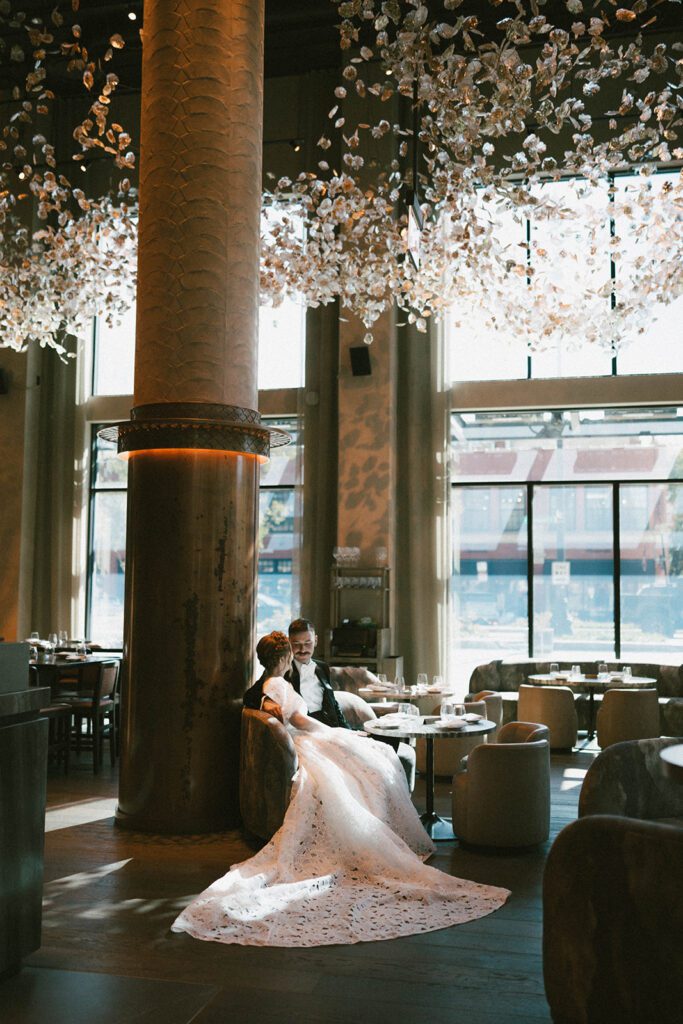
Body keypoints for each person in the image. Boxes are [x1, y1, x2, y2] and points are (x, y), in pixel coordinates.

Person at [172, 632, 509, 948]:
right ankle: (382, 829)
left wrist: (339, 734)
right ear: (285, 656)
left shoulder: (263, 685)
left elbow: (286, 716)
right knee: (375, 760)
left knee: (370, 758)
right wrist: (340, 735)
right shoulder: (276, 684)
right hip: (307, 741)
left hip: (306, 739)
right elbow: (298, 721)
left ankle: (381, 818)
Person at [242, 616, 348, 729]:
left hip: (330, 727)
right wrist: (266, 701)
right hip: (304, 729)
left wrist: (347, 730)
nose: (302, 649)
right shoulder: (281, 669)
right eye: (297, 644)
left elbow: (333, 704)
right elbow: (250, 696)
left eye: (308, 643)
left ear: (316, 641)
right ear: (289, 642)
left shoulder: (323, 667)